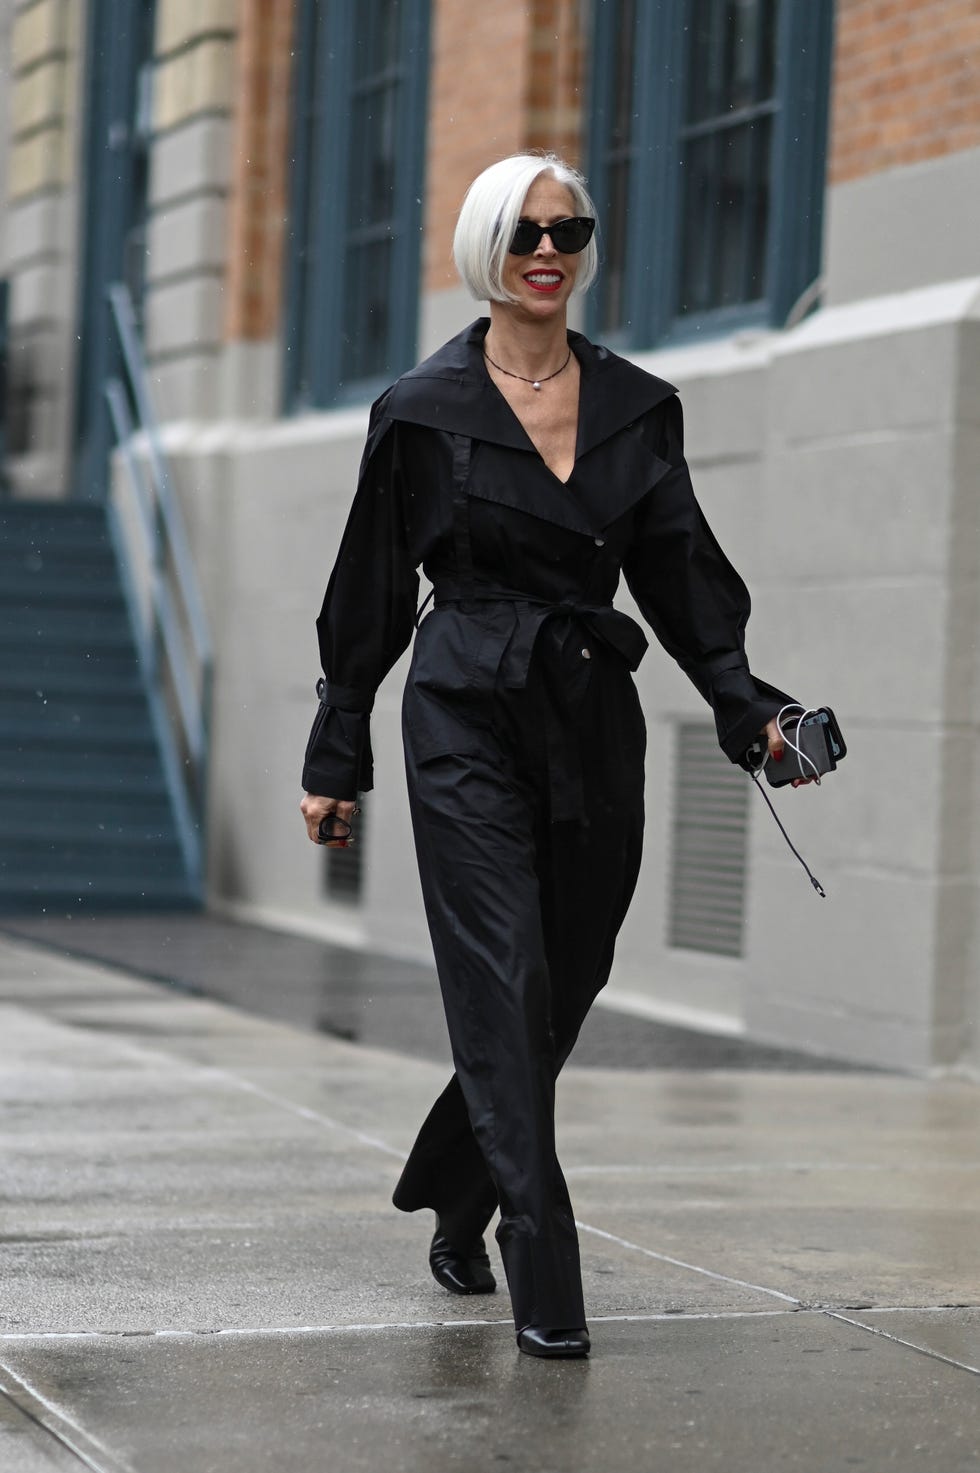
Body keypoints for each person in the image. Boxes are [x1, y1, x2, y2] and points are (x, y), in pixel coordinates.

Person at [300, 153, 803, 1360]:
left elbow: (682, 576)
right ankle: (544, 1266)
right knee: (501, 979)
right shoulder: (421, 409)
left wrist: (752, 712)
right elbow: (366, 589)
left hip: (590, 716)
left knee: (561, 983)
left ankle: (454, 1183)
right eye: (524, 229)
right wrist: (336, 750)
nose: (547, 247)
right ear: (486, 245)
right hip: (462, 704)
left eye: (568, 229)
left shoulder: (637, 406)